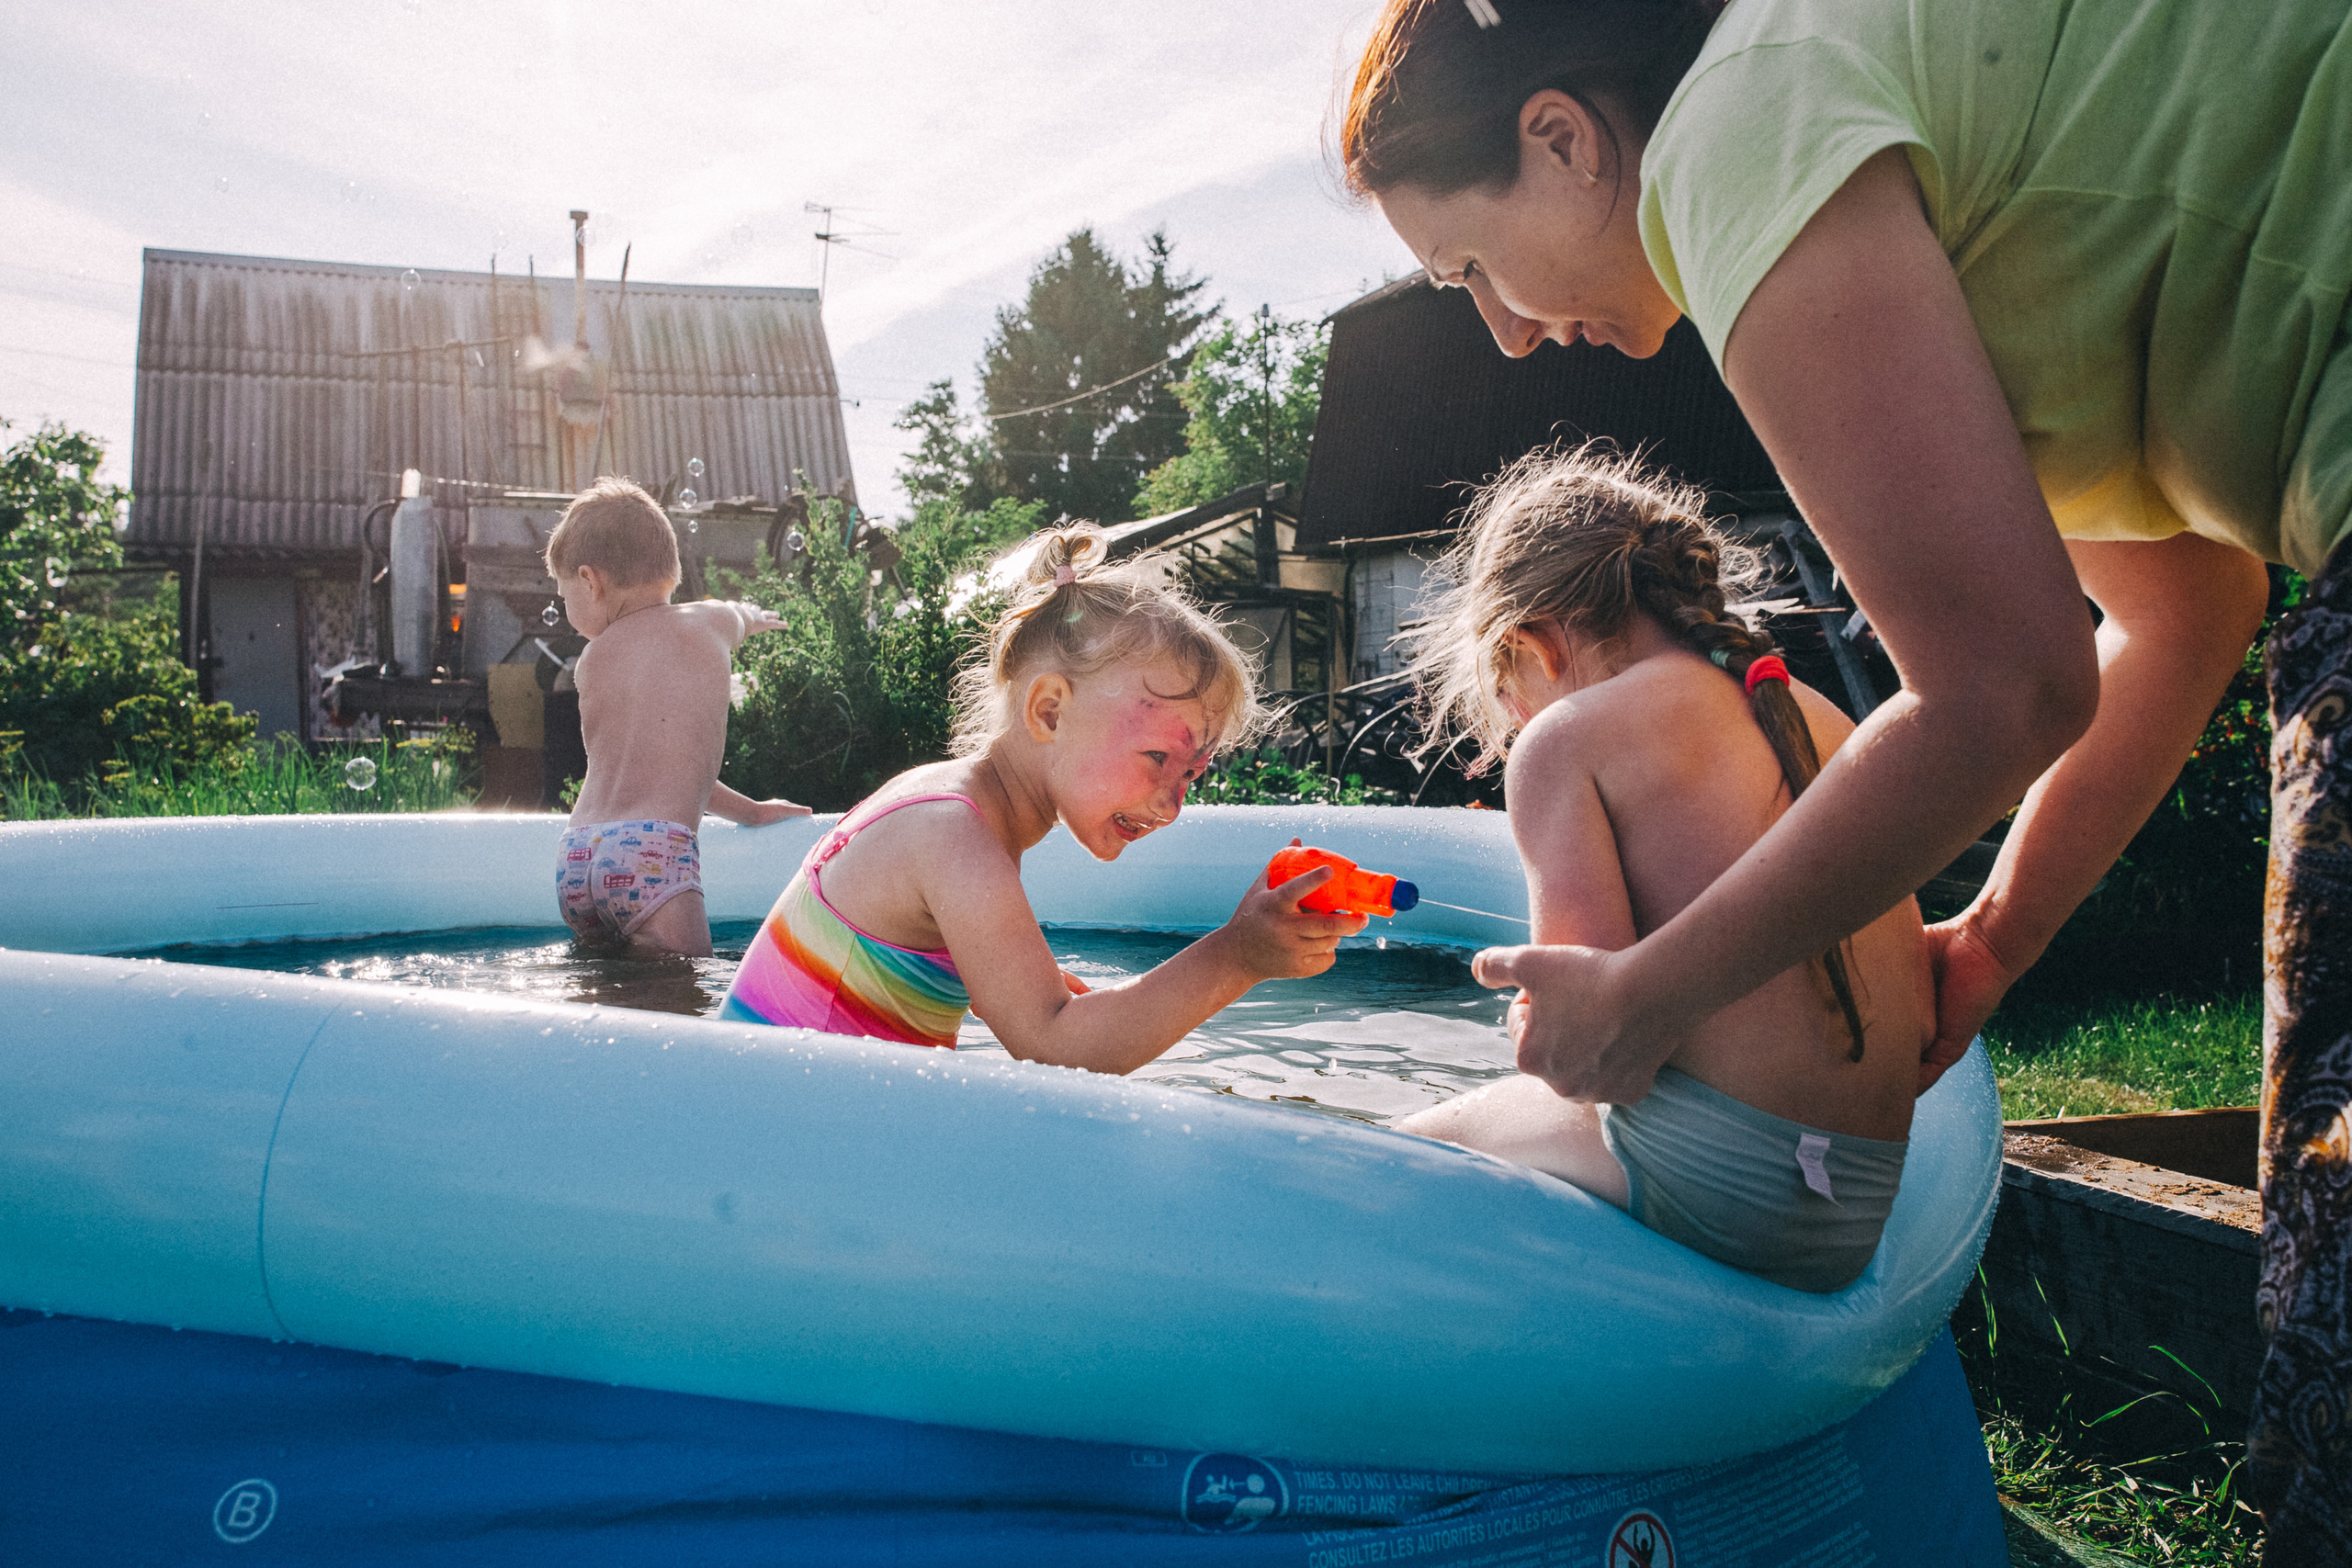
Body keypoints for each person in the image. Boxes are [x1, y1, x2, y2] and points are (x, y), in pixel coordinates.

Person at [1340, 0, 2351, 1547]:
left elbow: (2002, 688)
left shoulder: (1736, 126)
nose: (1503, 329)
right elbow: (2184, 607)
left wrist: (1655, 992)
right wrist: (1996, 939)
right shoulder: (1868, 128)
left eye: (1470, 266)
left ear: (1562, 138)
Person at [1393, 447, 1926, 1292]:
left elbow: (1594, 1063)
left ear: (1530, 644)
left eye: (1508, 688)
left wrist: (1531, 1026)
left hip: (1726, 1187)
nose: (1520, 717)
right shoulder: (1811, 713)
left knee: (1395, 1156)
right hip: (1858, 1203)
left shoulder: (1566, 741)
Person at [718, 524, 1363, 1073]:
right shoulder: (951, 832)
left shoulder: (963, 809)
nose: (1171, 805)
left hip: (793, 1122)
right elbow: (1053, 1042)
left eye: (1191, 773)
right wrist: (1236, 954)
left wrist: (1026, 987)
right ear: (1050, 712)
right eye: (1158, 758)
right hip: (772, 1135)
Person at [545, 478, 809, 956]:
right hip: (650, 856)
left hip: (578, 854)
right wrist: (752, 617)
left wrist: (747, 809)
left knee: (603, 999)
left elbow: (643, 768)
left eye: (563, 597)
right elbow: (684, 774)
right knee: (682, 1003)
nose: (566, 609)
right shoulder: (709, 622)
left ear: (590, 581)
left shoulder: (591, 661)